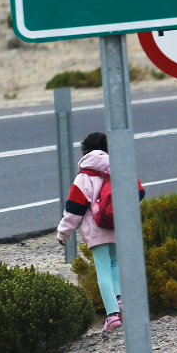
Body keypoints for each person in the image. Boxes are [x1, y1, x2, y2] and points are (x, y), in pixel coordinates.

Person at [56, 132, 144, 333]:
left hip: (97, 230)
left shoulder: (84, 177)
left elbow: (74, 211)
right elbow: (139, 193)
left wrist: (63, 234)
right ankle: (121, 301)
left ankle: (112, 316)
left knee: (103, 270)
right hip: (119, 226)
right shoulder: (121, 166)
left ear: (85, 151)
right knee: (115, 264)